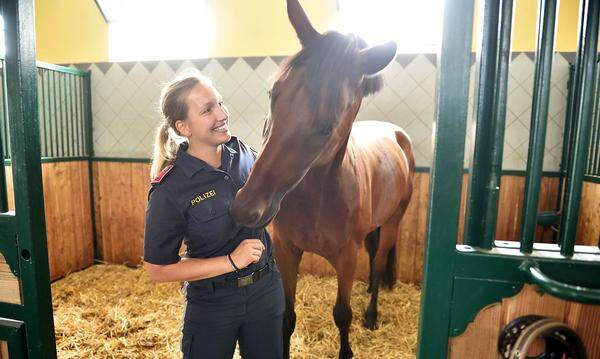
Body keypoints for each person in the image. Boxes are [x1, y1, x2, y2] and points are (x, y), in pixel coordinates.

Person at [143, 69, 285, 359]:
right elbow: (157, 270)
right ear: (184, 127)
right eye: (207, 110)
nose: (222, 114)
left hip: (266, 291)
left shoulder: (243, 153)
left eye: (219, 102)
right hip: (212, 303)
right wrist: (231, 261)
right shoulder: (170, 189)